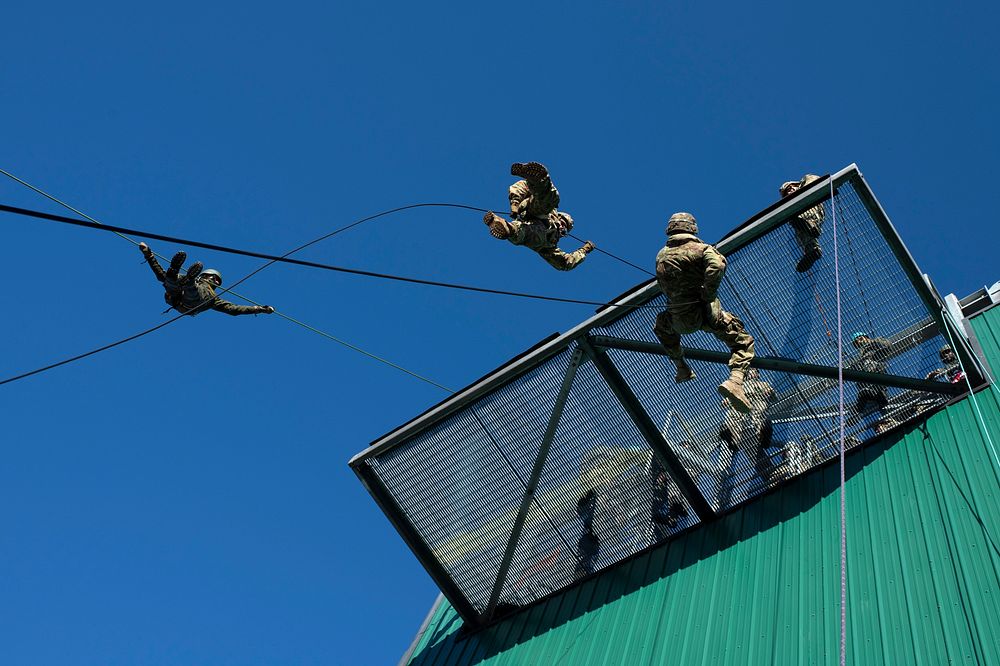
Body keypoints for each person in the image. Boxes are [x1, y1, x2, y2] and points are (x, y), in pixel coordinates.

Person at [653, 212, 756, 412]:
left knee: (661, 325)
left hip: (679, 319)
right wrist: (708, 293)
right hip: (706, 313)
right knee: (743, 341)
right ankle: (735, 381)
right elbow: (717, 265)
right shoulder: (702, 249)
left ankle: (680, 365)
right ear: (692, 228)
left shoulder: (661, 255)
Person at [484, 162, 596, 271]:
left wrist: (584, 250)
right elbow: (522, 186)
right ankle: (539, 180)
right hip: (533, 211)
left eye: (565, 227)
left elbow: (565, 263)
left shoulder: (551, 245)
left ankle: (504, 227)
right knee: (549, 201)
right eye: (563, 221)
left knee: (526, 234)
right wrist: (515, 202)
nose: (562, 226)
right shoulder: (551, 212)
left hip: (537, 235)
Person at [139, 243, 275, 317]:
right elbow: (160, 274)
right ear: (204, 276)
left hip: (191, 304)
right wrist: (149, 255)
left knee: (194, 290)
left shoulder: (214, 298)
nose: (214, 281)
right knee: (168, 279)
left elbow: (234, 309)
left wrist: (258, 309)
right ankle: (175, 272)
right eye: (213, 278)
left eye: (216, 281)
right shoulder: (204, 289)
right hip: (177, 296)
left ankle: (188, 282)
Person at [779, 174, 825, 272]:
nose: (790, 191)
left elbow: (813, 179)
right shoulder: (792, 209)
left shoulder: (806, 182)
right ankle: (812, 250)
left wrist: (804, 188)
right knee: (799, 228)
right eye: (787, 191)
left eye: (791, 188)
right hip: (802, 217)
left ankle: (811, 224)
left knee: (798, 219)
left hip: (812, 206)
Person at [850, 331, 893, 433]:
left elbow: (887, 346)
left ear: (866, 337)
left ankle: (885, 421)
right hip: (869, 384)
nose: (859, 343)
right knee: (866, 398)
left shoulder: (875, 345)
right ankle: (857, 415)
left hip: (878, 377)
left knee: (879, 401)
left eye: (860, 339)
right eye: (857, 342)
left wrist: (873, 342)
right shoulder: (861, 358)